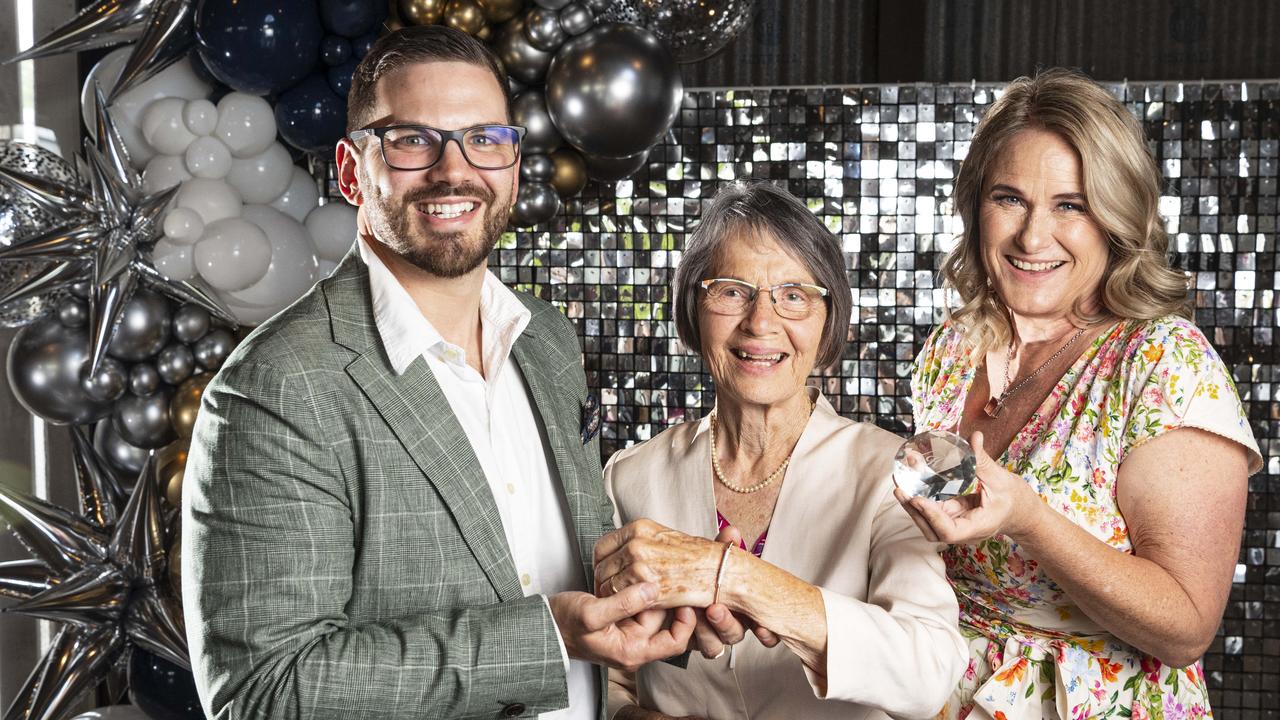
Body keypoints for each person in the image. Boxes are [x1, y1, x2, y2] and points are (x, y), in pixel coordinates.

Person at [182, 25, 702, 720]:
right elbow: (268, 690)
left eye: (485, 138)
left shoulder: (546, 342)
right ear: (349, 171)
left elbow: (552, 567)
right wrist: (547, 637)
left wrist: (655, 601)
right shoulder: (278, 387)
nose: (454, 170)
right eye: (412, 140)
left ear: (514, 163)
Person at [900, 69, 1263, 719]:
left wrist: (1030, 520)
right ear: (975, 204)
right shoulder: (951, 351)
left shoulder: (1163, 363)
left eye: (1071, 204)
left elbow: (1185, 627)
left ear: (1117, 218)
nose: (1033, 238)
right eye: (1009, 198)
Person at [595, 181, 968, 720]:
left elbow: (928, 672)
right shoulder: (629, 477)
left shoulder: (889, 474)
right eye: (731, 290)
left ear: (827, 318)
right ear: (693, 308)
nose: (761, 323)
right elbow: (600, 672)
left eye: (793, 294)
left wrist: (737, 578)